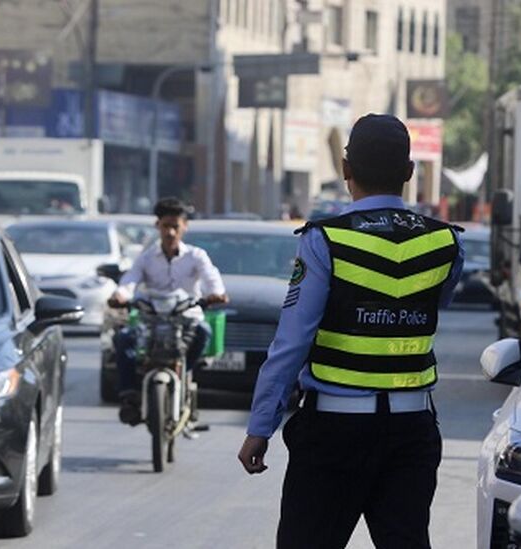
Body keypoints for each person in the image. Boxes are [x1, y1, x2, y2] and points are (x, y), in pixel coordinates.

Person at [237, 113, 465, 549]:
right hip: (411, 432)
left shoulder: (327, 240)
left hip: (333, 435)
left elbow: (291, 342)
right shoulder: (445, 242)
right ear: (409, 173)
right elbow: (433, 303)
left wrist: (260, 426)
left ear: (346, 171)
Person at [108, 197, 228, 425]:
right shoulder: (145, 258)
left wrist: (216, 293)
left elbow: (212, 278)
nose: (170, 232)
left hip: (186, 319)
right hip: (152, 320)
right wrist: (120, 296)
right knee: (123, 339)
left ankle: (185, 369)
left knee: (204, 332)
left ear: (185, 227)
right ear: (158, 226)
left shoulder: (196, 256)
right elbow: (129, 281)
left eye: (176, 226)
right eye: (166, 226)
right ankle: (128, 395)